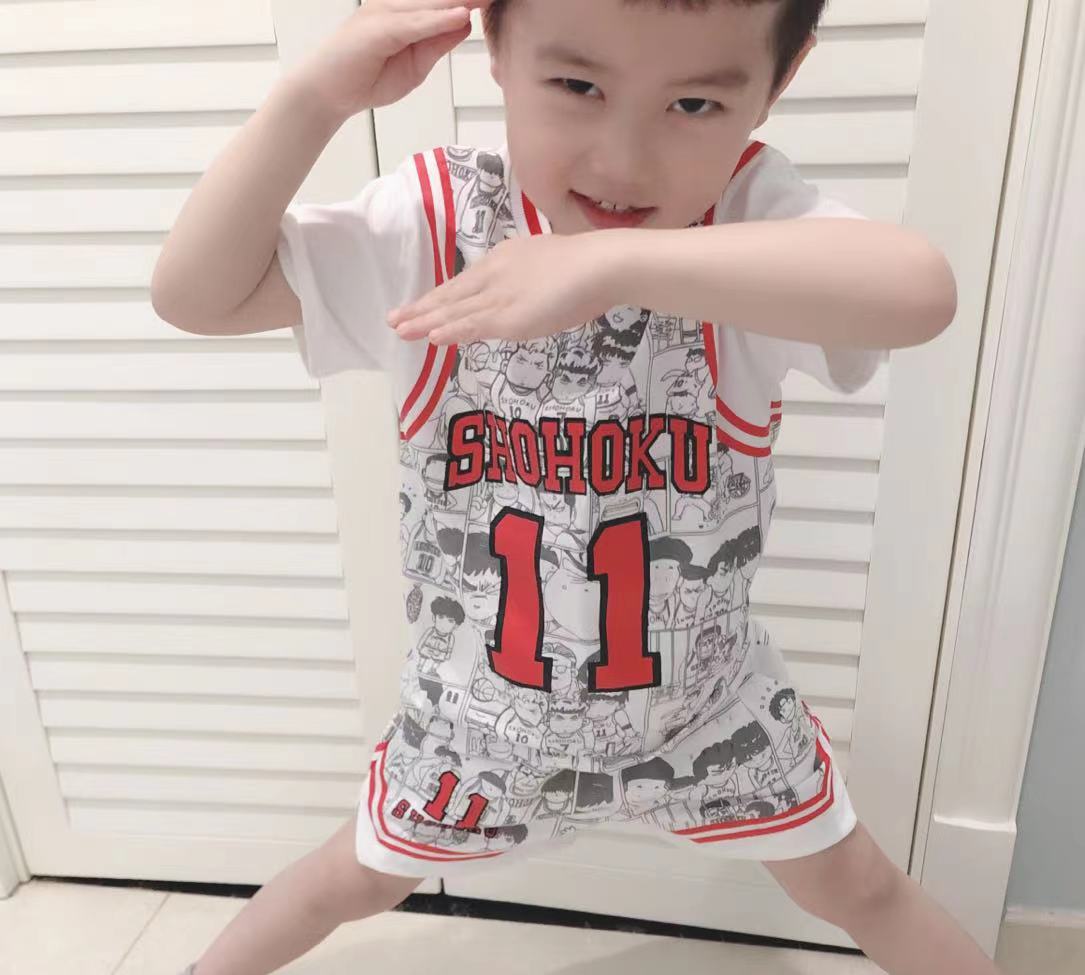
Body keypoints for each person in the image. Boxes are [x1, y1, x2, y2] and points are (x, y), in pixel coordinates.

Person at [149, 1, 993, 974]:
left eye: (691, 104)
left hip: (705, 714)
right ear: (495, 46)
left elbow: (918, 290)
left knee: (861, 886)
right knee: (349, 878)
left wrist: (609, 263)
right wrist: (312, 97)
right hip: (475, 723)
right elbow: (194, 294)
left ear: (779, 79)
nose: (623, 161)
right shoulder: (435, 225)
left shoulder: (747, 221)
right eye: (577, 85)